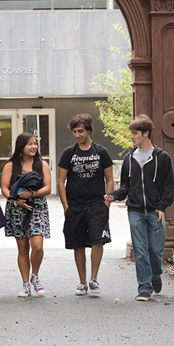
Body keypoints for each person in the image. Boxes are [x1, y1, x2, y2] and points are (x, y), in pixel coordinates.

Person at [105, 114, 174, 301]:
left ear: (146, 133)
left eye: (135, 133)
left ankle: (155, 275)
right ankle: (144, 288)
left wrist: (162, 207)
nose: (132, 137)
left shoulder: (162, 158)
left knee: (156, 250)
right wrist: (113, 195)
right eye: (131, 133)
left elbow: (169, 187)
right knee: (141, 250)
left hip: (155, 212)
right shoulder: (129, 158)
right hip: (135, 212)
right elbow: (126, 187)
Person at [57, 113, 114, 296]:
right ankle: (82, 282)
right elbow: (60, 181)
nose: (77, 135)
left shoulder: (101, 152)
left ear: (89, 130)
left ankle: (93, 279)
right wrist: (66, 207)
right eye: (74, 132)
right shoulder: (68, 153)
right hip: (75, 206)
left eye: (80, 131)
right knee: (78, 243)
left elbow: (110, 179)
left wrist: (107, 203)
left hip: (97, 205)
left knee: (98, 240)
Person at [1, 132, 52, 298]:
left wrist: (31, 194)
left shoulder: (41, 164)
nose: (33, 146)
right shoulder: (11, 165)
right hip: (16, 208)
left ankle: (35, 276)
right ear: (21, 146)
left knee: (37, 246)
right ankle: (25, 284)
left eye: (35, 143)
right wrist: (16, 201)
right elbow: (4, 189)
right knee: (22, 248)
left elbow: (48, 188)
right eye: (29, 143)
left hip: (37, 207)